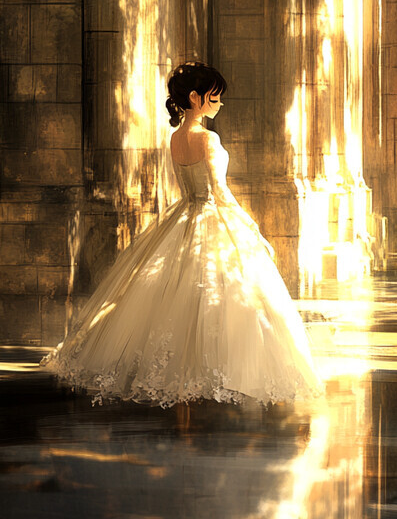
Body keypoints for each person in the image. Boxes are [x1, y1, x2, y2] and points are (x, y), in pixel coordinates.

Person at [42, 61, 322, 408]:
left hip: (184, 215)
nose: (219, 105)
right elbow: (220, 192)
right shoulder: (207, 138)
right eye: (215, 98)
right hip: (210, 217)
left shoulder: (176, 138)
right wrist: (250, 226)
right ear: (195, 97)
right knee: (223, 296)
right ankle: (218, 372)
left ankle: (184, 373)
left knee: (179, 295)